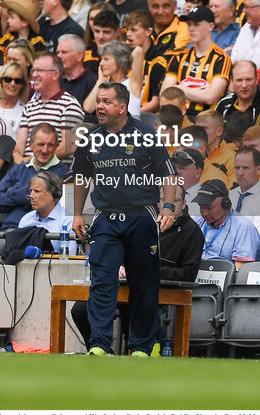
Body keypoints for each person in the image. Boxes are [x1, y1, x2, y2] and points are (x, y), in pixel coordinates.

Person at [71, 81, 178, 357]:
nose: (100, 107)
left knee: (144, 284)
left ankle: (141, 347)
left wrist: (167, 207)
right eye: (98, 101)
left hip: (141, 217)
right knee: (103, 282)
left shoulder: (145, 134)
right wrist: (77, 214)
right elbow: (82, 177)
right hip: (106, 219)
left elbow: (167, 173)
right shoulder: (91, 138)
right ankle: (98, 345)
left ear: (122, 107)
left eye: (106, 102)